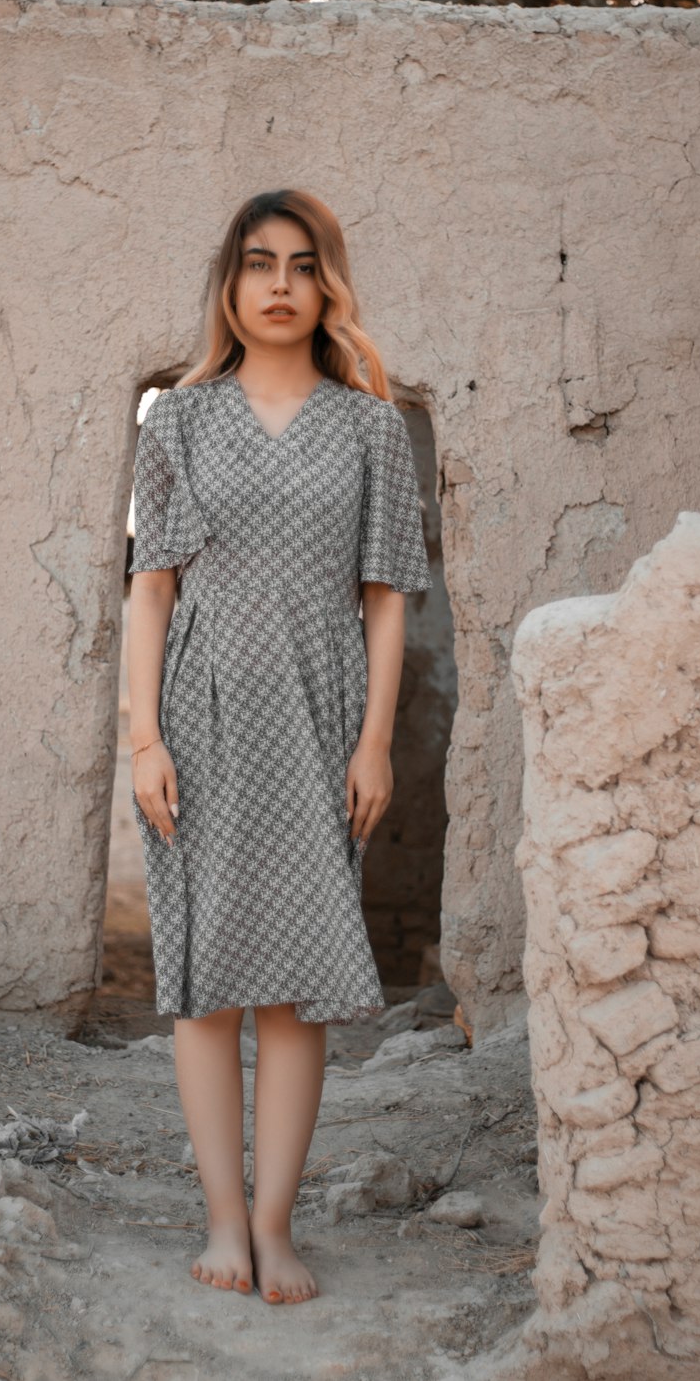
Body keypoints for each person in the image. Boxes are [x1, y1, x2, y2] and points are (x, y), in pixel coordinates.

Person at [127, 189, 431, 1305]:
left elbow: (388, 595)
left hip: (319, 718)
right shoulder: (181, 422)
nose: (279, 285)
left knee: (296, 987)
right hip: (200, 714)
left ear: (326, 285)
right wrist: (142, 737)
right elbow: (149, 589)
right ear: (228, 283)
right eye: (257, 263)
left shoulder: (367, 426)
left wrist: (376, 743)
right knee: (206, 982)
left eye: (302, 265)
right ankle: (220, 1220)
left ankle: (274, 1225)